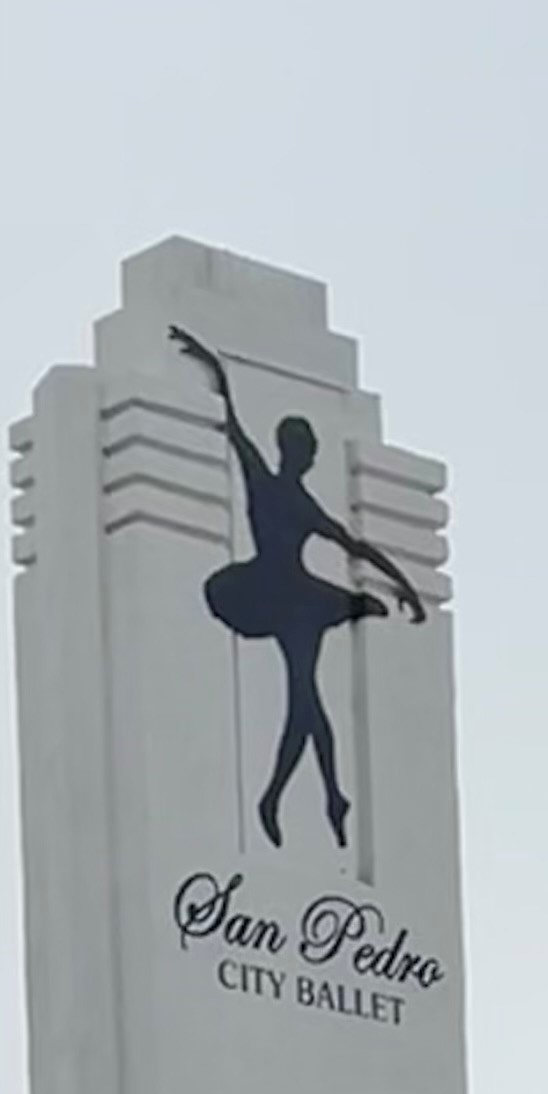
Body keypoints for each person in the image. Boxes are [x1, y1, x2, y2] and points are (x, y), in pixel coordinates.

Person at [167, 322, 428, 852]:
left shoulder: (268, 484)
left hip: (286, 594)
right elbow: (356, 548)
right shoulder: (296, 499)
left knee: (306, 699)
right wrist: (405, 588)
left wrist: (218, 374)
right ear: (303, 453)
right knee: (305, 699)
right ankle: (316, 796)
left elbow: (236, 428)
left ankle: (314, 796)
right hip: (286, 597)